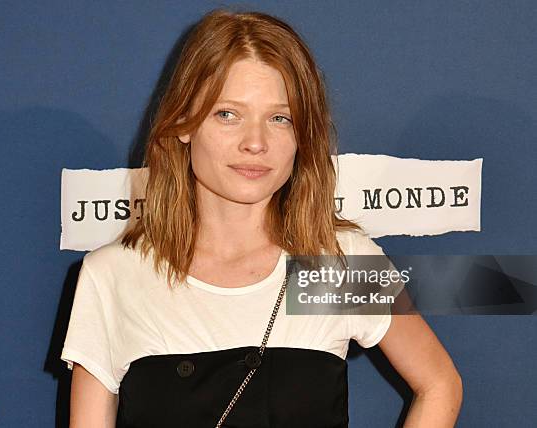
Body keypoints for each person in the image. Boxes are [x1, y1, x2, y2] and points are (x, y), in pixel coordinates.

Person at [60, 9, 462, 428]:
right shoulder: (116, 276)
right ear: (183, 122)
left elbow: (439, 384)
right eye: (227, 114)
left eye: (279, 118)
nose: (255, 142)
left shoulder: (333, 266)